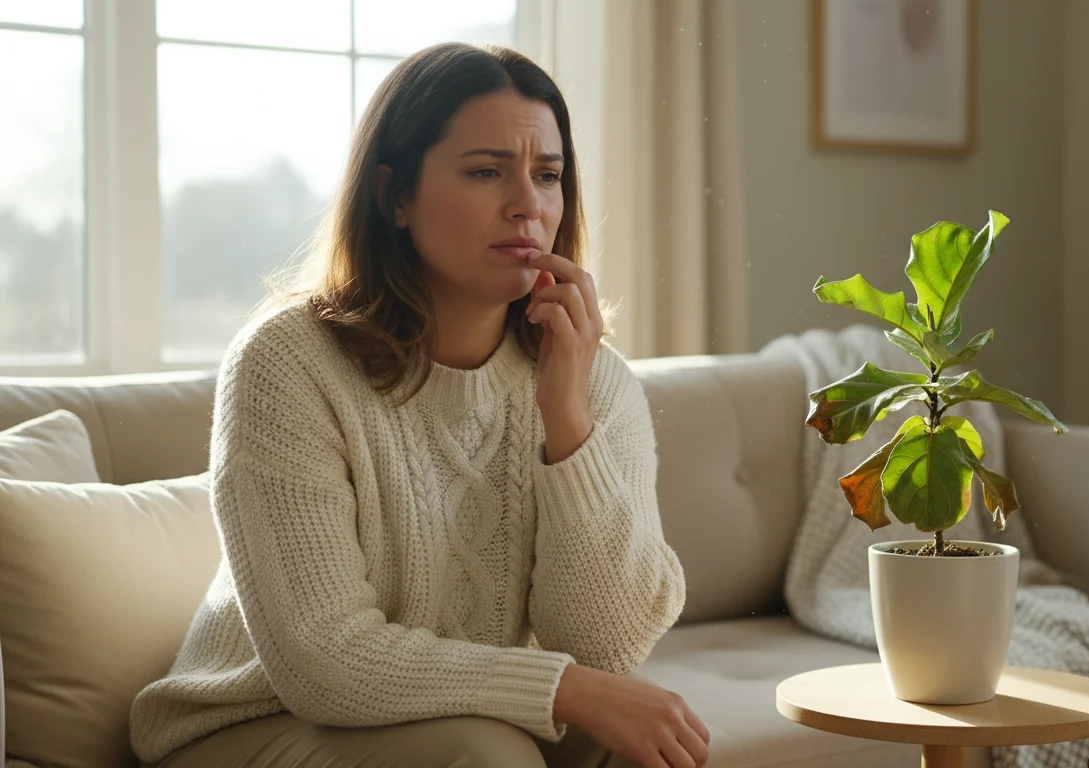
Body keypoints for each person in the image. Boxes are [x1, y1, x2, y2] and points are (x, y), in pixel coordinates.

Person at [128, 42, 710, 768]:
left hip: (465, 711)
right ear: (392, 195)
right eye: (486, 171)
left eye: (549, 175)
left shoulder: (595, 380)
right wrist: (564, 691)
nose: (529, 204)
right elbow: (323, 659)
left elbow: (607, 645)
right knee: (489, 756)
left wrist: (567, 420)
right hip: (252, 722)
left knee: (655, 749)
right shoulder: (287, 364)